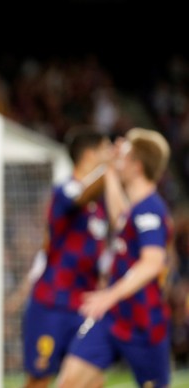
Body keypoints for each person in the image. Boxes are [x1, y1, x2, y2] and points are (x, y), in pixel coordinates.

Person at [57, 127, 173, 388]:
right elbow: (120, 219)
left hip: (143, 323)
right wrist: (110, 170)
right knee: (70, 383)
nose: (116, 159)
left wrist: (110, 294)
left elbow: (152, 263)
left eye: (123, 157)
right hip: (112, 318)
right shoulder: (135, 209)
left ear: (137, 166)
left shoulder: (151, 210)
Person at [20, 125, 112, 388]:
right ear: (90, 154)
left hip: (84, 305)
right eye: (107, 150)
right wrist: (112, 169)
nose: (112, 156)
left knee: (91, 379)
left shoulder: (101, 203)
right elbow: (80, 197)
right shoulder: (65, 191)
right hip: (52, 303)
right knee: (39, 380)